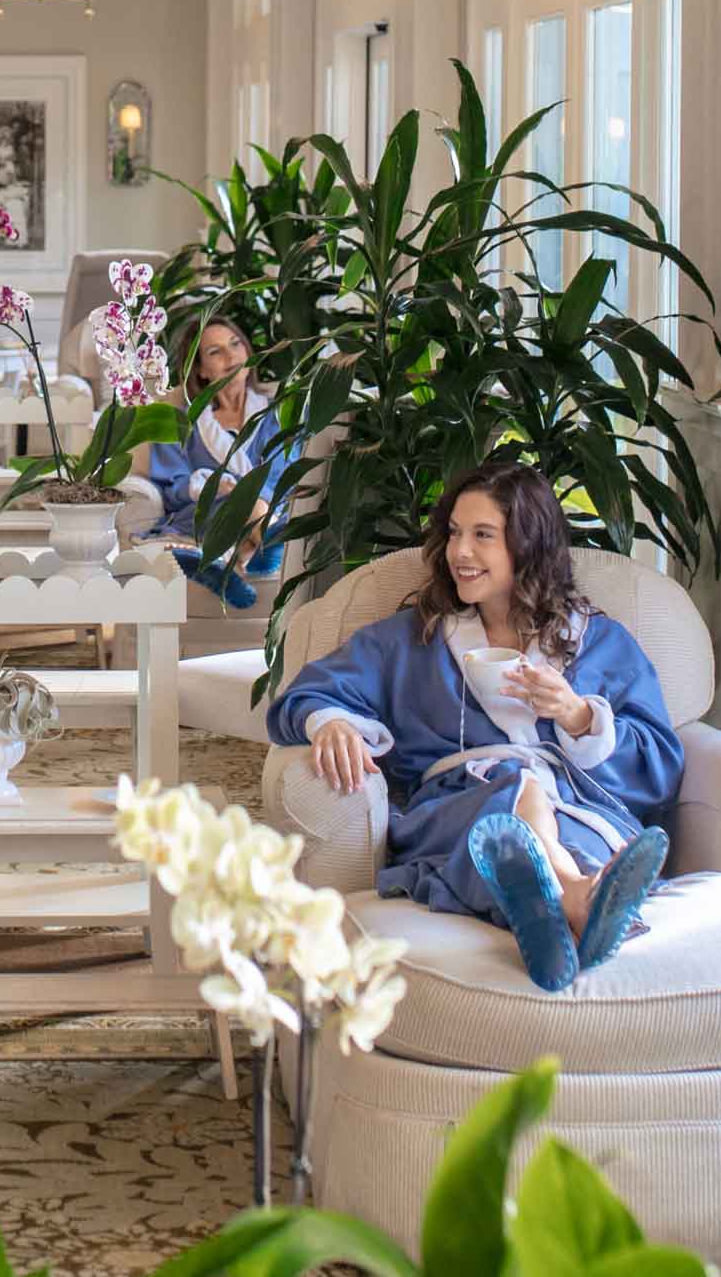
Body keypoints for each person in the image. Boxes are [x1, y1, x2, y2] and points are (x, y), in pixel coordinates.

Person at [262, 461, 680, 992]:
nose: (460, 552)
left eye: (483, 536)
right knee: (520, 792)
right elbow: (309, 691)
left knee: (560, 827)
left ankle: (547, 909)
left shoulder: (596, 642)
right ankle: (579, 898)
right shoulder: (414, 638)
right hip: (457, 810)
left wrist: (578, 717)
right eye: (455, 533)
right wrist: (333, 724)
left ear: (528, 544)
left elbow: (661, 763)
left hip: (574, 805)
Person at [143, 317, 291, 608]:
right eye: (215, 351)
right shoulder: (178, 421)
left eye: (235, 344)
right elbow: (171, 484)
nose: (230, 355)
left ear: (248, 351)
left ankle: (218, 565)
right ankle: (262, 543)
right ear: (200, 371)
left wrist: (247, 496)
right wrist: (207, 486)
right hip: (206, 512)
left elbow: (285, 473)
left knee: (251, 502)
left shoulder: (278, 413)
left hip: (270, 505)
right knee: (236, 503)